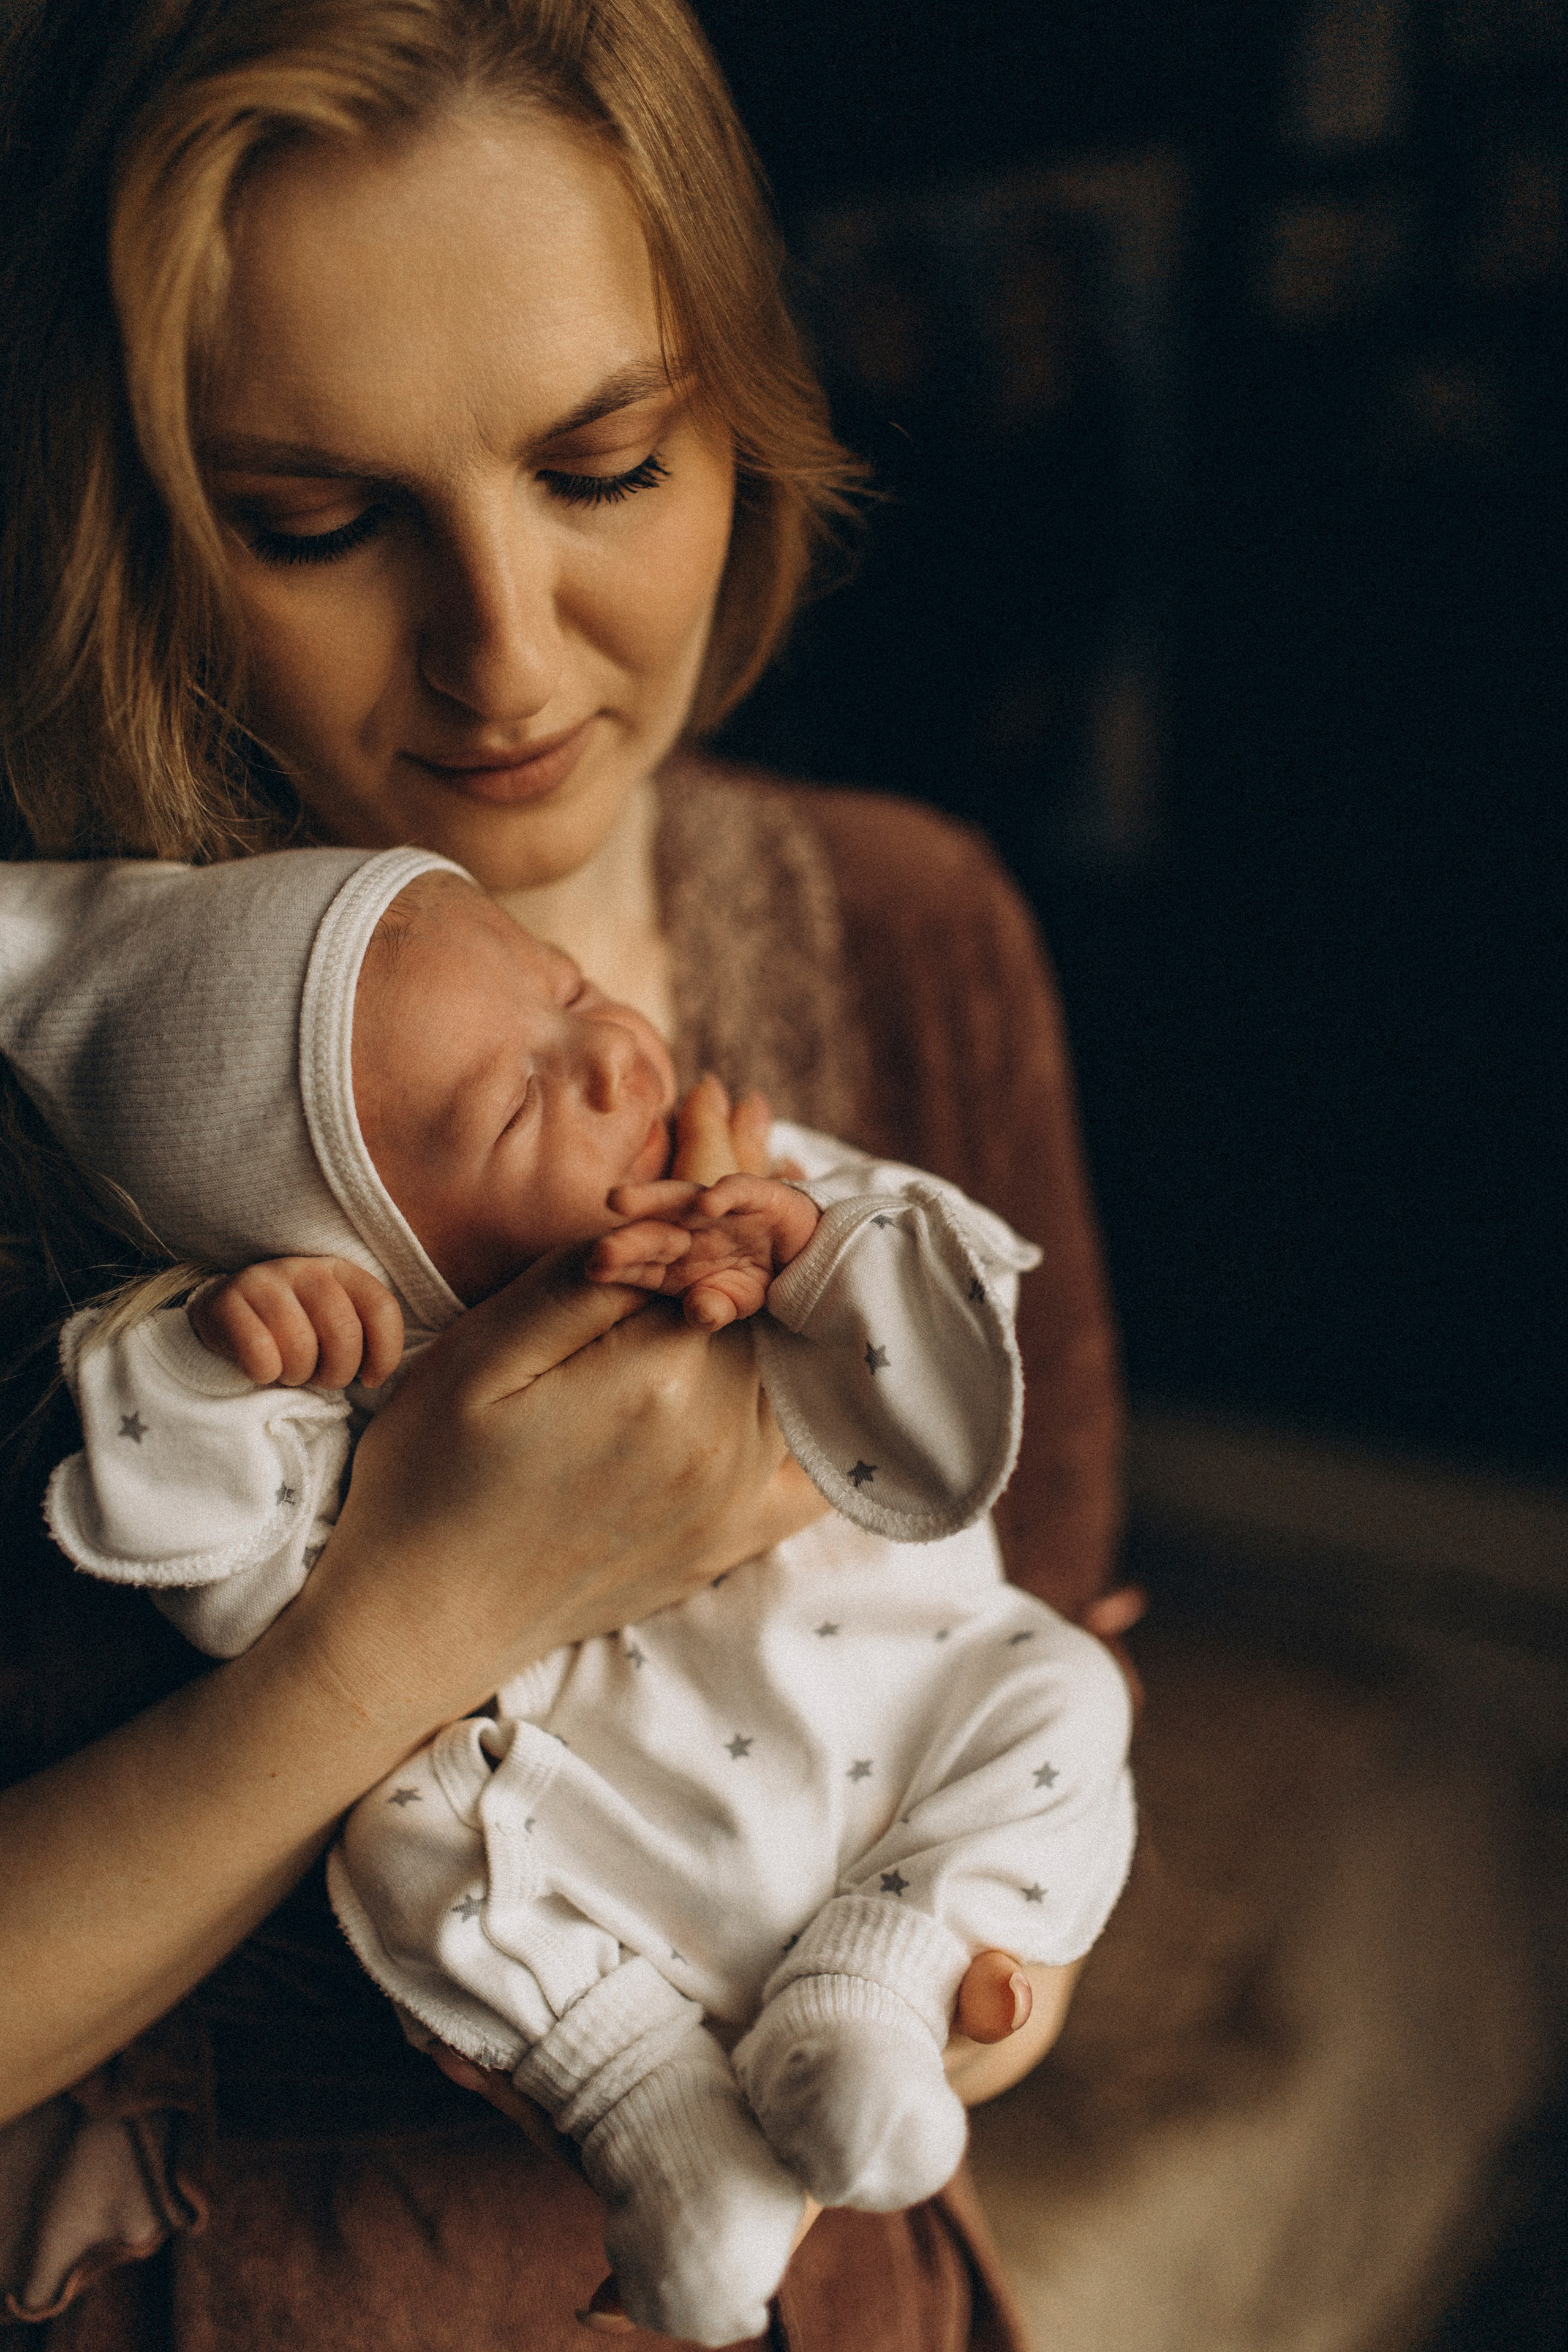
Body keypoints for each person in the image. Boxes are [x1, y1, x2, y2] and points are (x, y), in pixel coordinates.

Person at [0, 4, 1133, 2345]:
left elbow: (1048, 1692)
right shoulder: (77, 1102)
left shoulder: (908, 926)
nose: (507, 661)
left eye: (606, 467)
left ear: (740, 404)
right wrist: (418, 1620)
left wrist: (930, 1996)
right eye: (312, 522)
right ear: (132, 517)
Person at [2, 844, 1135, 2344]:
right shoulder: (363, 1408)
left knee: (1059, 1690)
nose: (608, 1058)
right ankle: (653, 2119)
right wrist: (233, 1360)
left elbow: (954, 1364)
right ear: (373, 1260)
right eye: (520, 1102)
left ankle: (873, 1985)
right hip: (591, 1850)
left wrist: (819, 1253)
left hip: (886, 1736)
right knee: (405, 1853)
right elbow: (220, 1587)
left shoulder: (766, 1160)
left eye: (573, 996)